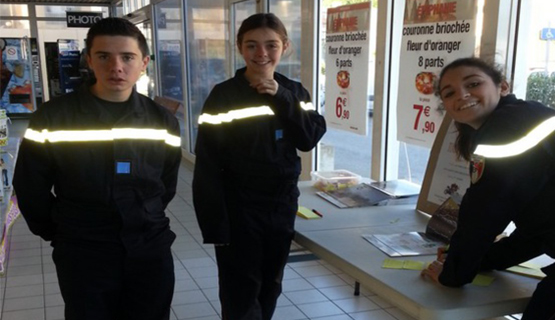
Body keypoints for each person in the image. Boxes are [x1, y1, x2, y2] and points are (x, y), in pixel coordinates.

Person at [420, 57, 555, 319]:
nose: (462, 94)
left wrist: (452, 273)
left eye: (473, 83)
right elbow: (540, 229)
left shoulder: (506, 130)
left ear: (503, 87)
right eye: (449, 93)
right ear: (446, 107)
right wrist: (483, 259)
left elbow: (483, 213)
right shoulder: (525, 118)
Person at [13, 17, 182, 320]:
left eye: (127, 57)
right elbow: (30, 187)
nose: (116, 66)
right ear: (89, 60)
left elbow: (166, 184)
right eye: (104, 56)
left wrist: (144, 214)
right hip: (83, 251)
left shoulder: (162, 121)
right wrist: (63, 231)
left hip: (149, 248)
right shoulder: (54, 117)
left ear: (143, 62)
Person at [193, 13, 326, 320]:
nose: (261, 53)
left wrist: (282, 97)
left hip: (280, 205)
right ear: (239, 47)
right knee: (240, 291)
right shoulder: (223, 95)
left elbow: (308, 138)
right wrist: (215, 224)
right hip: (239, 208)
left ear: (285, 47)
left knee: (271, 285)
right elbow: (208, 164)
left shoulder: (294, 91)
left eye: (271, 45)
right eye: (252, 45)